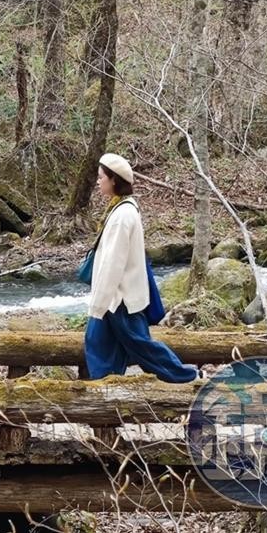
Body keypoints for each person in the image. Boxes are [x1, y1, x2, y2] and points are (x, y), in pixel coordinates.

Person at [83, 152, 199, 383]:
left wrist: (98, 304)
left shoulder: (122, 216)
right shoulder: (123, 210)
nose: (98, 182)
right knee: (102, 344)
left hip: (120, 300)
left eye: (101, 177)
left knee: (140, 346)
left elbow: (112, 264)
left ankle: (188, 376)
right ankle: (106, 393)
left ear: (113, 180)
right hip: (118, 298)